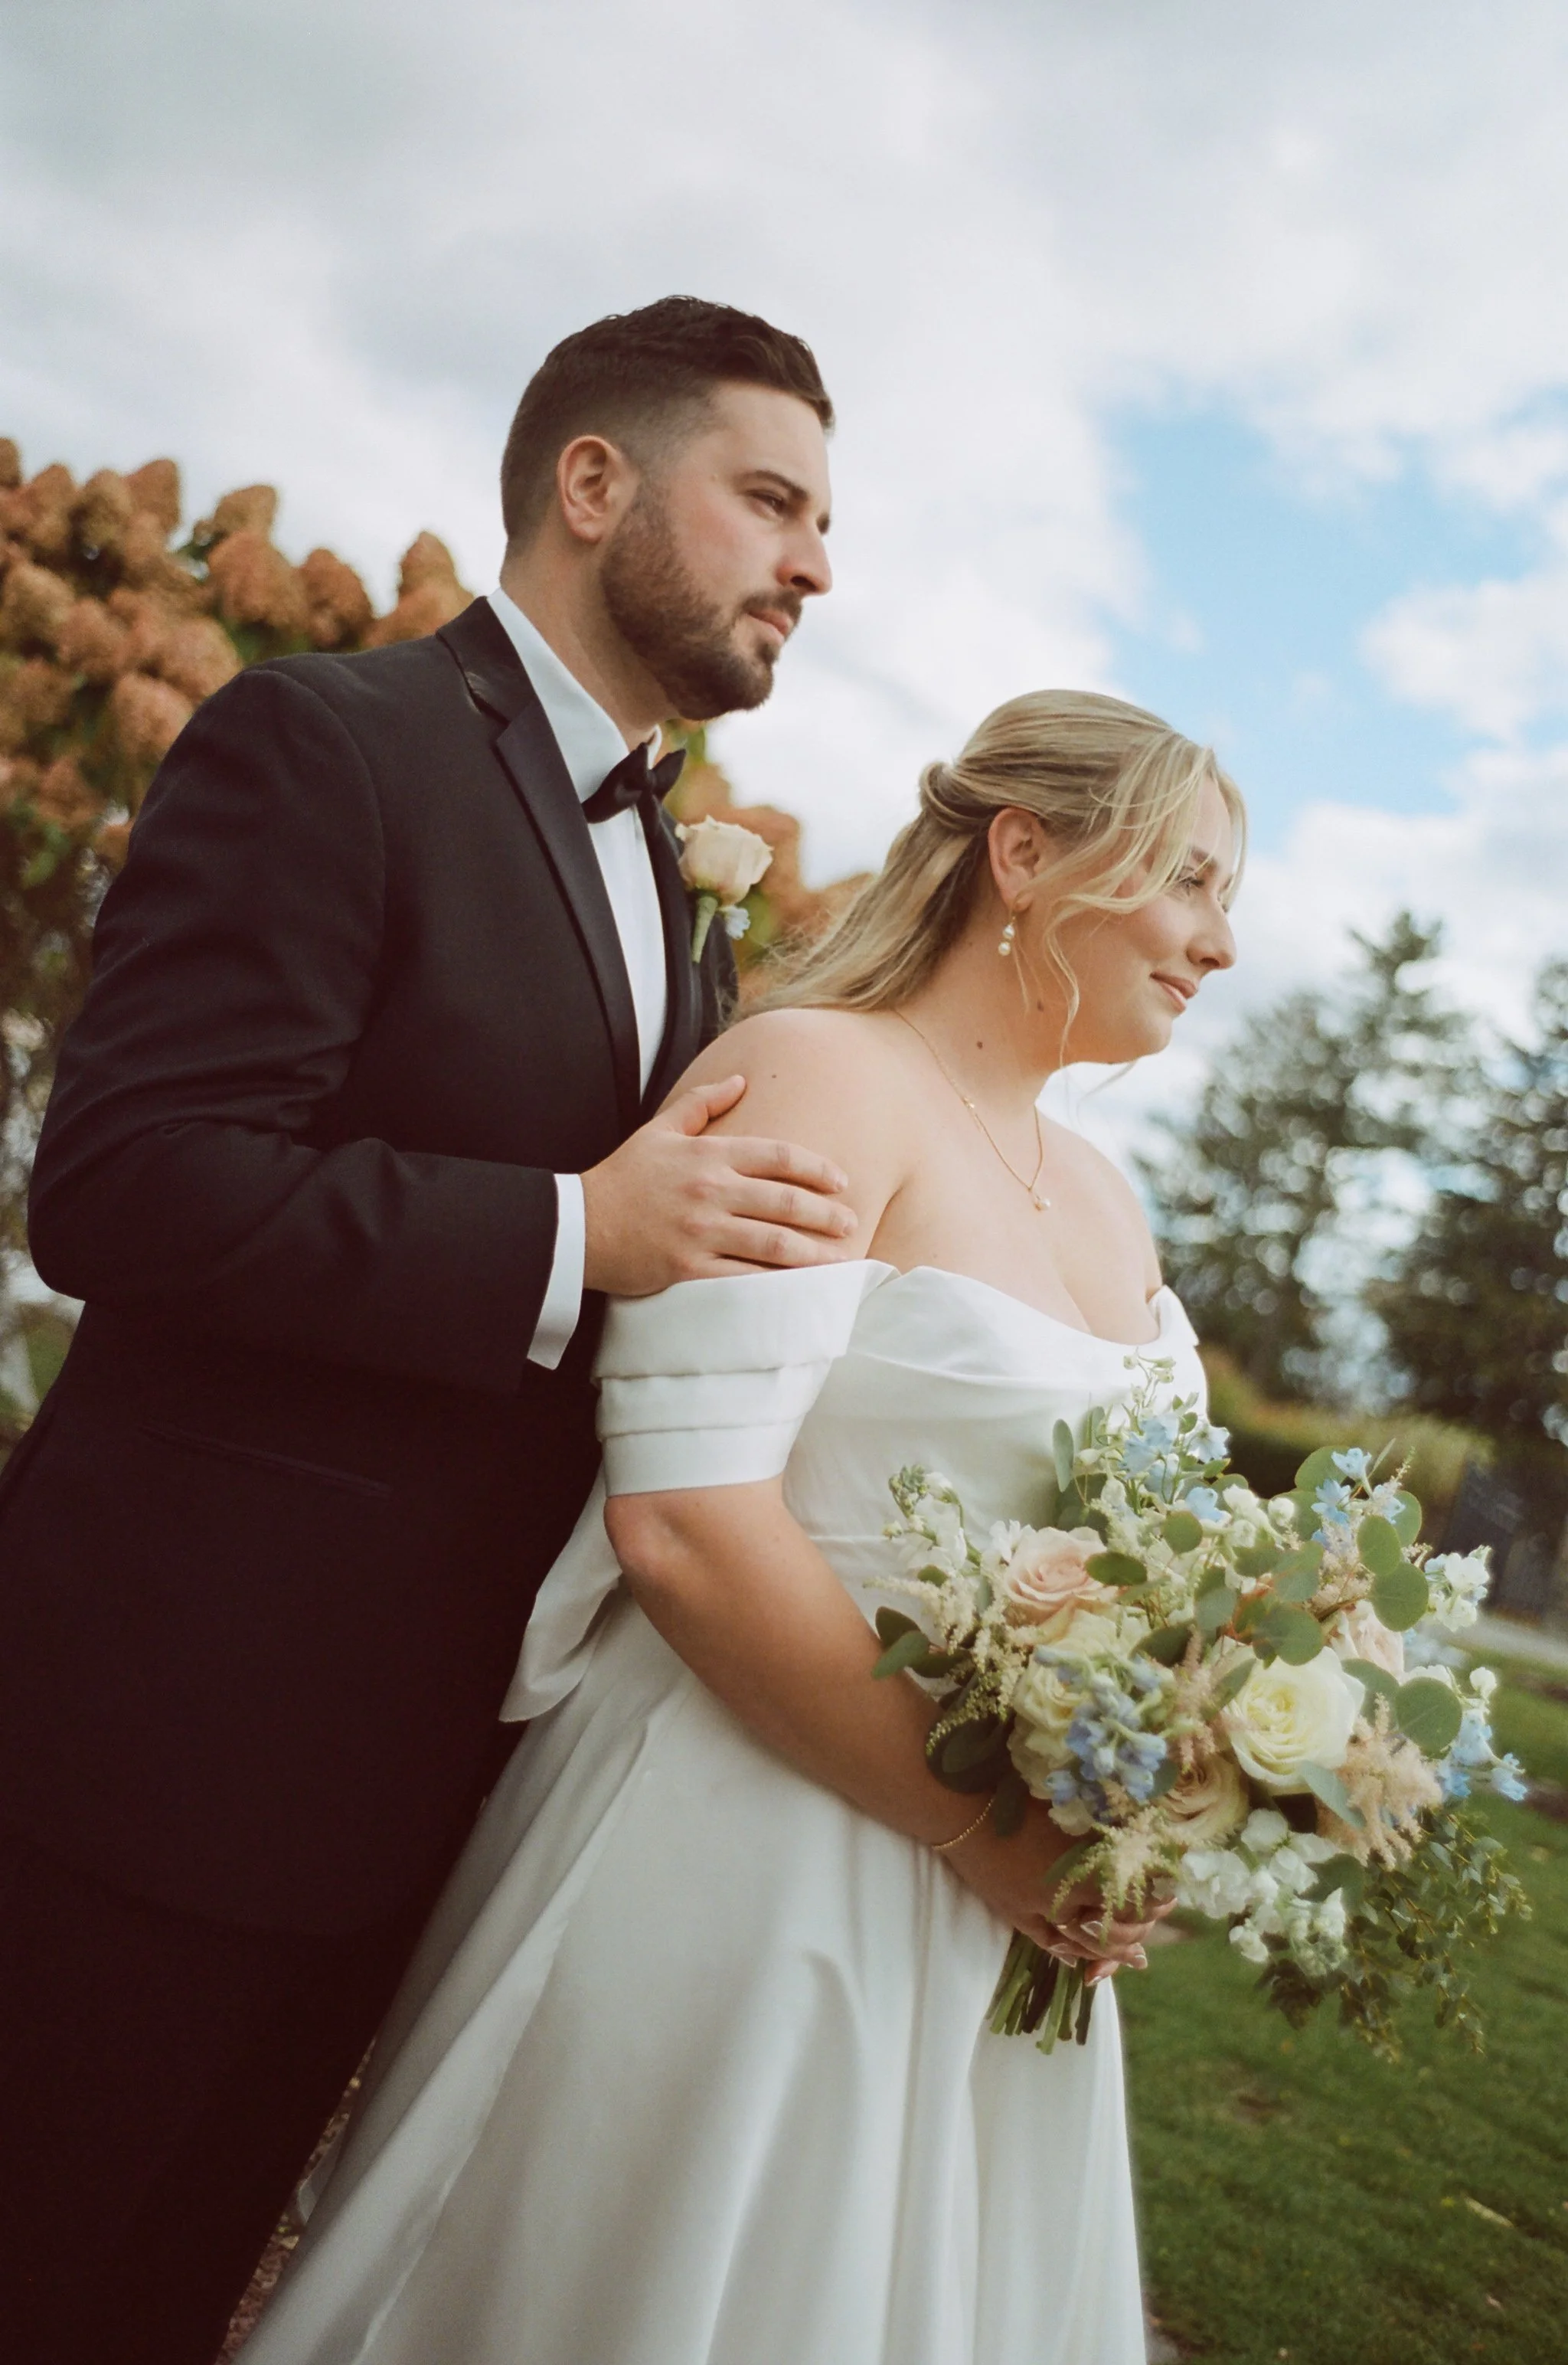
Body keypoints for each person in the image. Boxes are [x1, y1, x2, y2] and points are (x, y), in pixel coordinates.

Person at [0, 296, 855, 2365]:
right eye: (772, 502)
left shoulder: (682, 869)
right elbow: (123, 1182)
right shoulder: (330, 743)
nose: (819, 565)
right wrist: (574, 1230)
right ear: (592, 482)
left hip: (410, 1793)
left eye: (827, 527)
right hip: (160, 1756)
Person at [243, 689, 1243, 2365]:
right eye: (1194, 882)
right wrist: (978, 1830)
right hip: (746, 1855)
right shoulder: (815, 1075)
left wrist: (1153, 1786)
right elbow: (686, 1520)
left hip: (994, 1914)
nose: (1219, 941)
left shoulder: (1104, 1189)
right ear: (1026, 852)